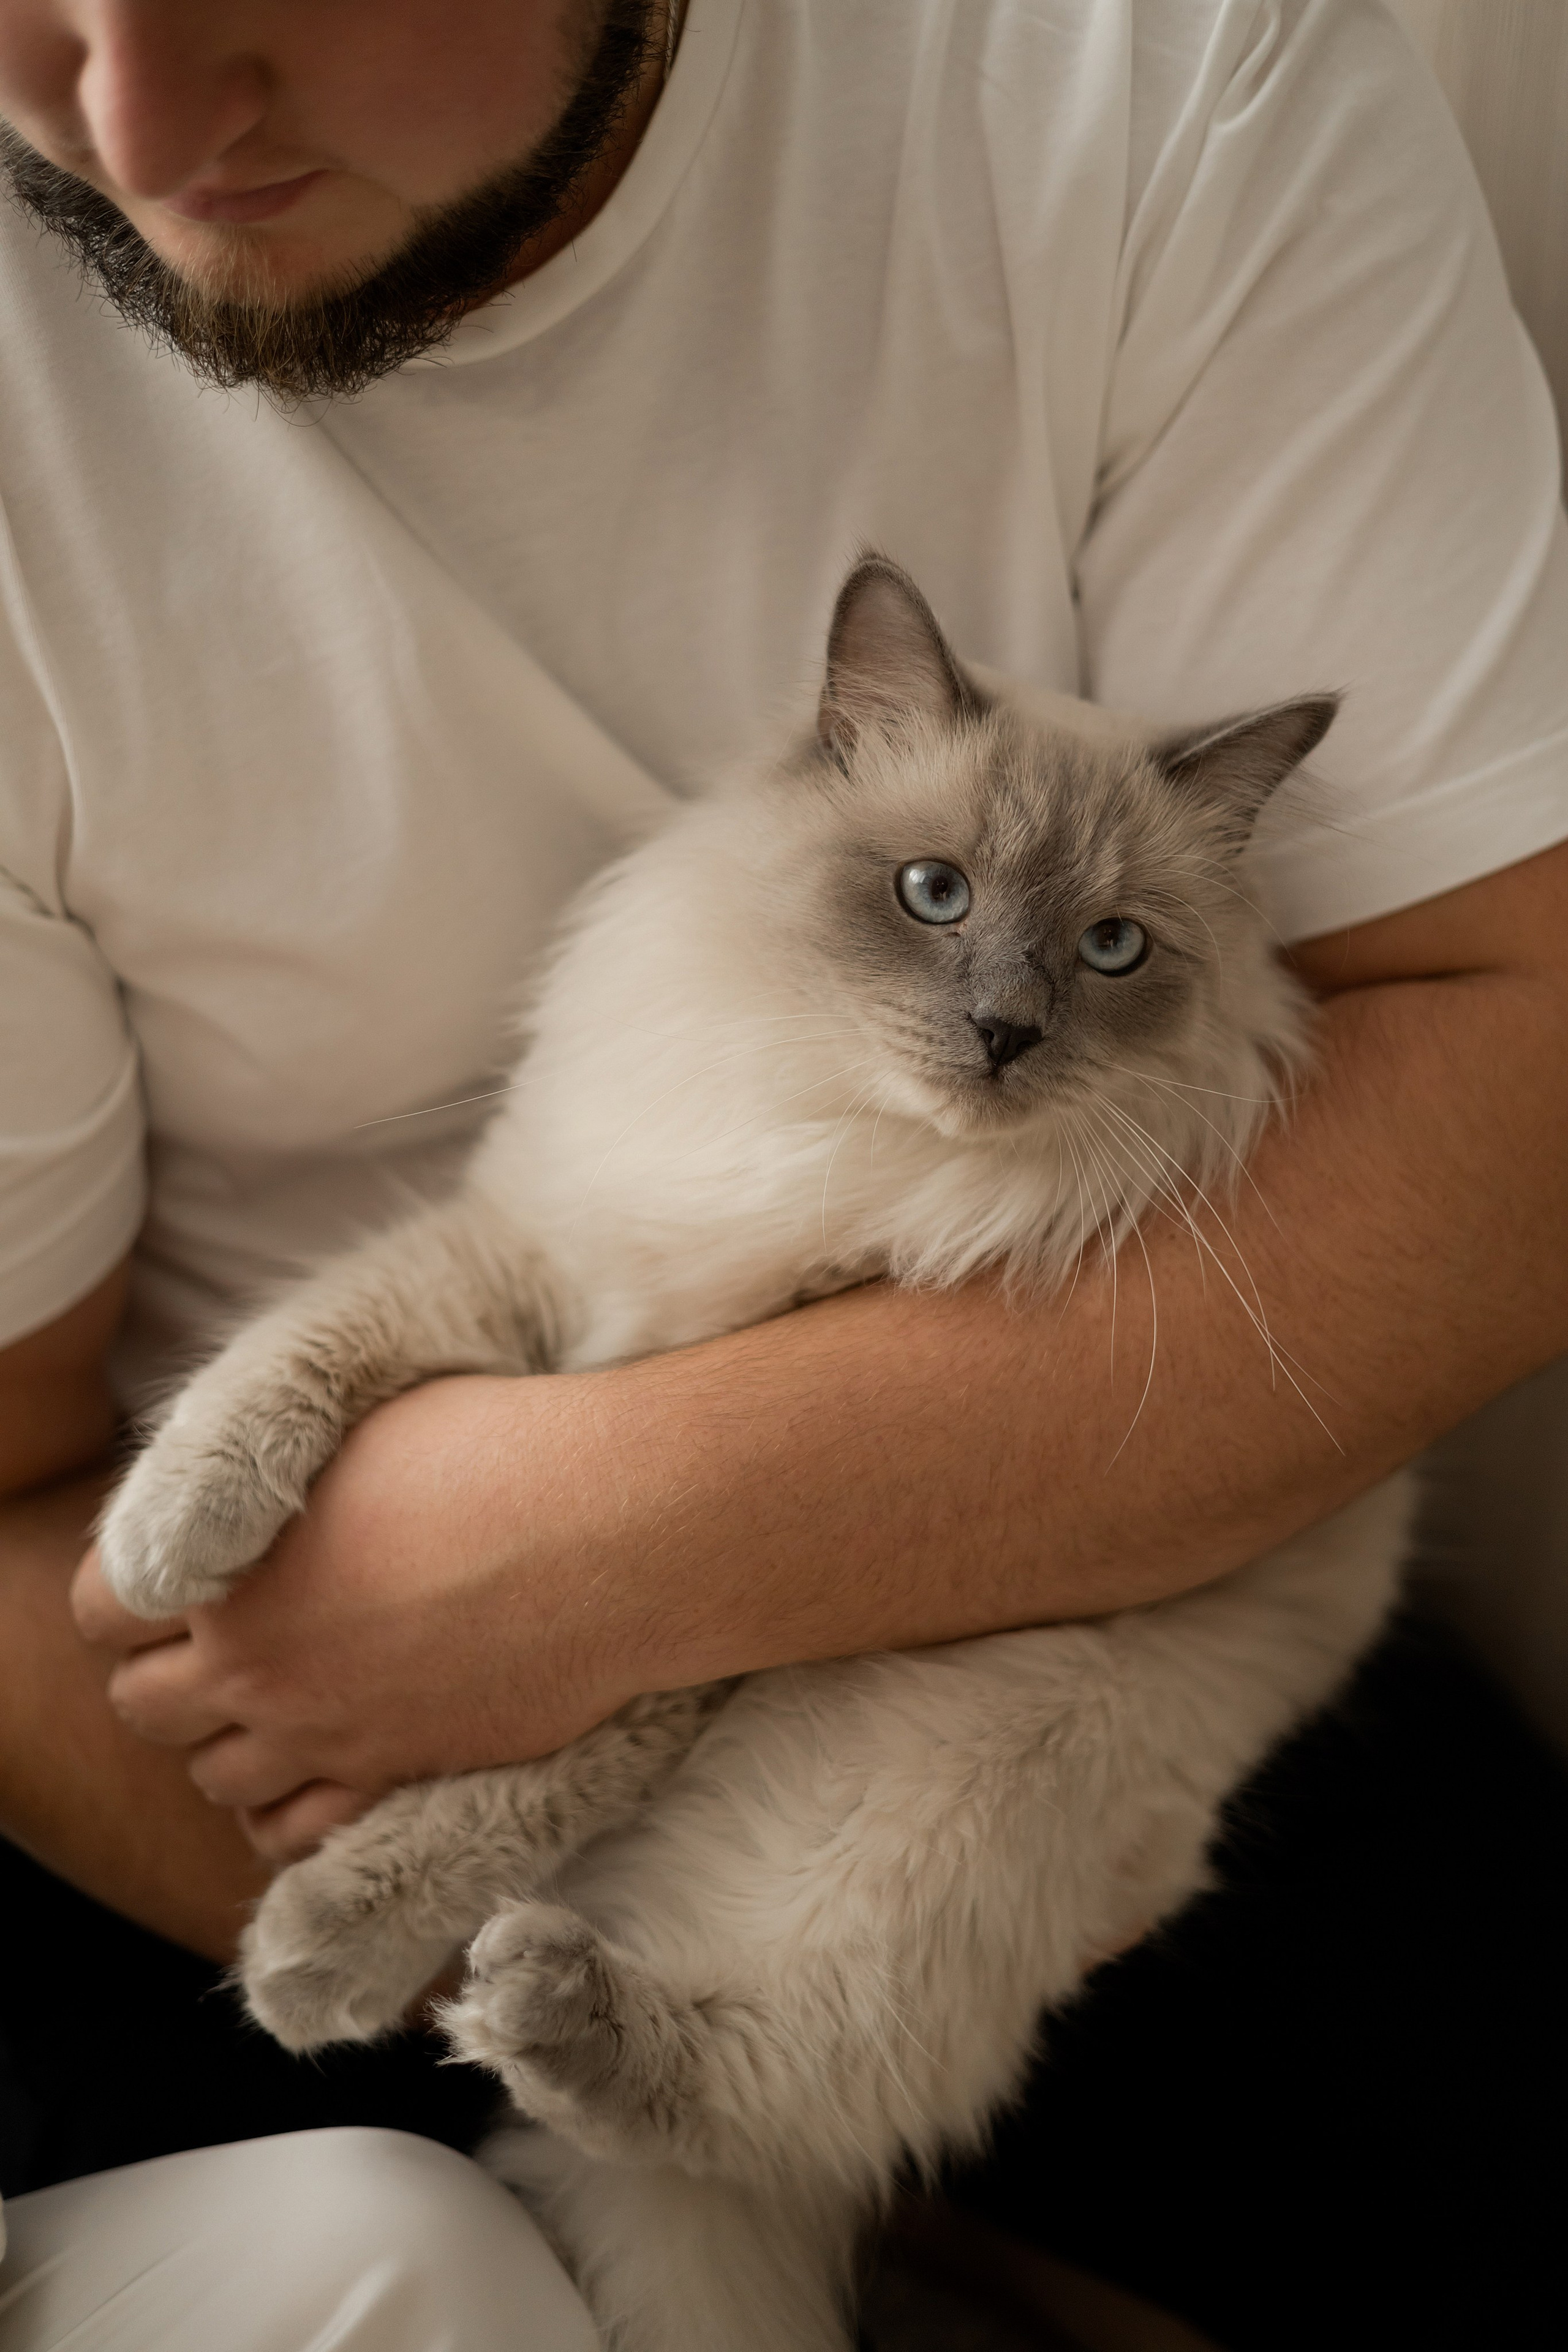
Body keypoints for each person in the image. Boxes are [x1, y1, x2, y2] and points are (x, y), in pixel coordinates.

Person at [1, 1, 1566, 2344]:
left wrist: (619, 1555)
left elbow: (1522, 1074)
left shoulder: (1151, 71)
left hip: (1088, 1567)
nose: (136, 126)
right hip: (201, 1704)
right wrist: (454, 1808)